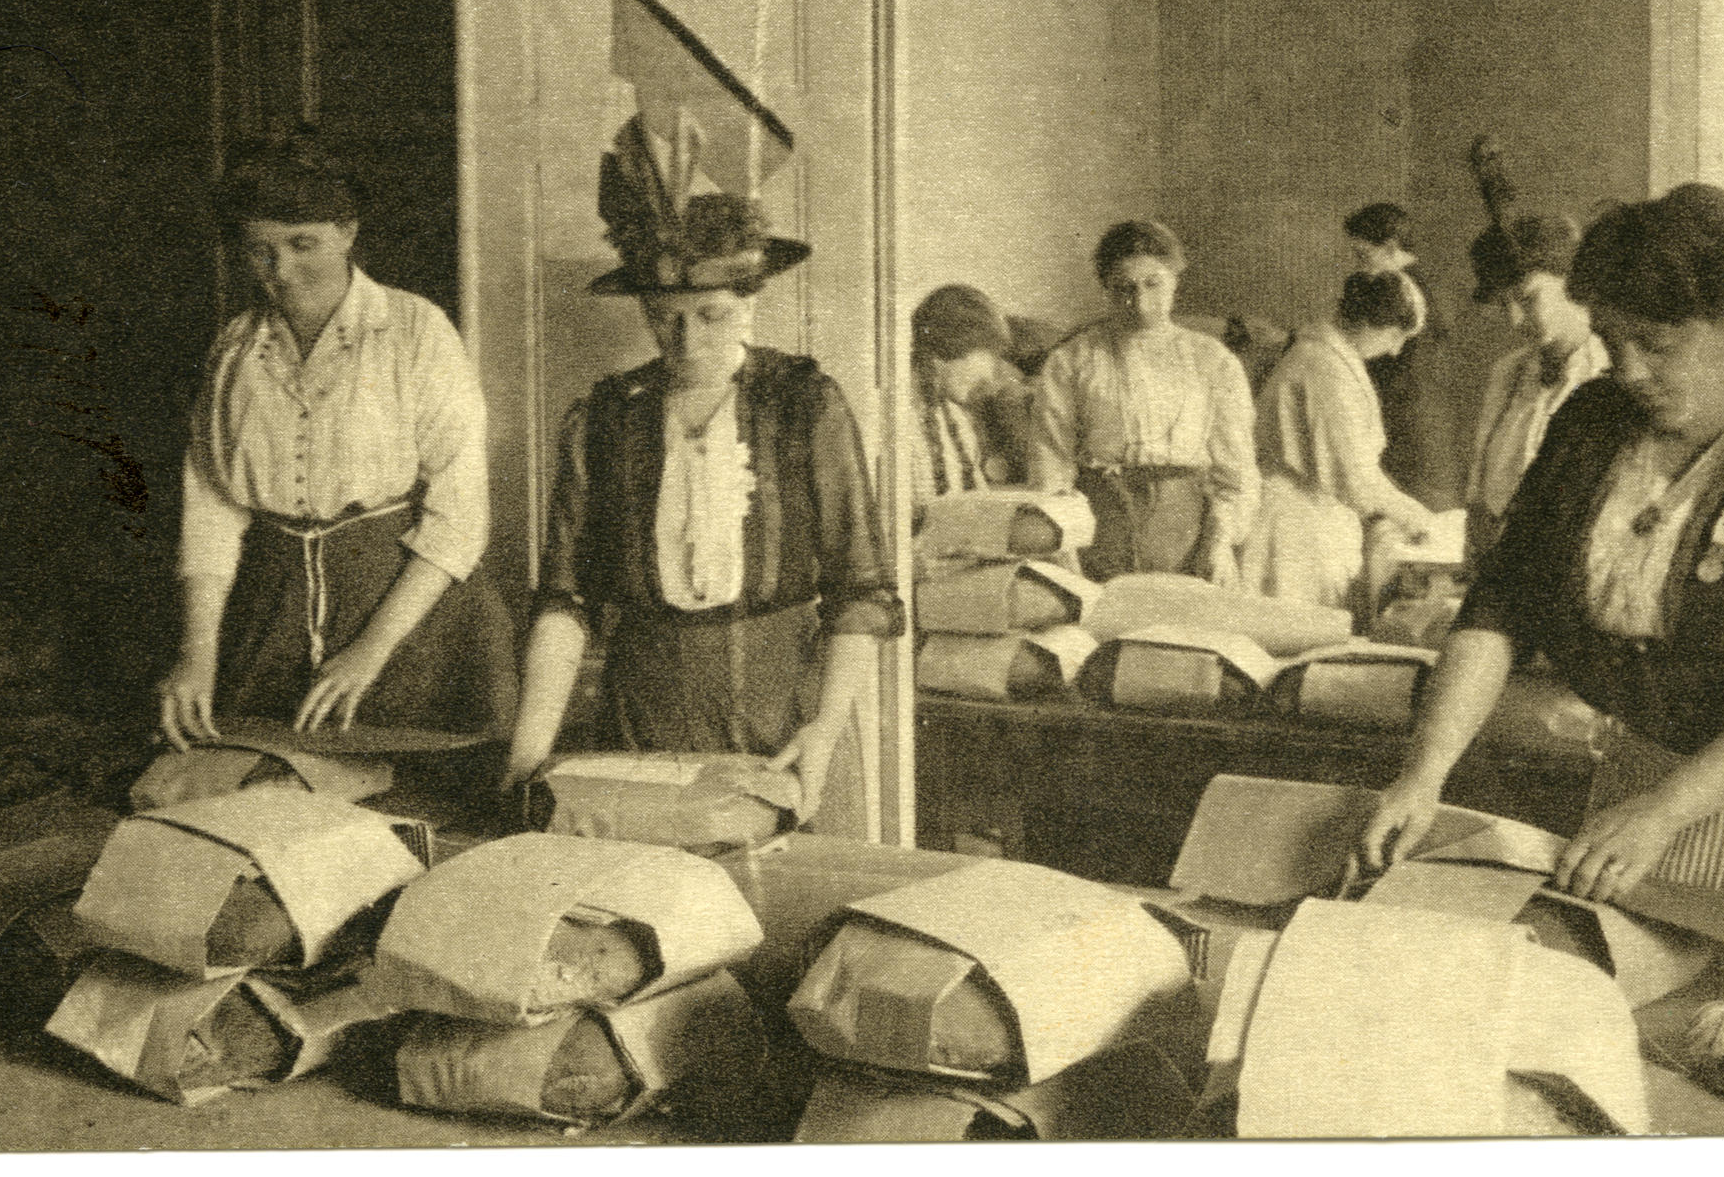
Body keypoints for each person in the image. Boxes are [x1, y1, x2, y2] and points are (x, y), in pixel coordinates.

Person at [1359, 184, 1724, 911]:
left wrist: (1667, 810)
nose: (1628, 370)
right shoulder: (1597, 417)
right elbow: (1504, 599)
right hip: (1636, 782)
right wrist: (1424, 774)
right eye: (1611, 340)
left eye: (1658, 344)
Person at [500, 171, 900, 827]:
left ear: (749, 304)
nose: (685, 340)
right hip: (641, 717)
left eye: (709, 316)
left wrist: (823, 733)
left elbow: (860, 593)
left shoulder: (804, 405)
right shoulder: (604, 418)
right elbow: (564, 603)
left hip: (784, 720)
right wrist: (528, 755)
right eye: (664, 319)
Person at [156, 130, 519, 751]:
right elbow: (213, 509)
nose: (282, 271)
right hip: (271, 611)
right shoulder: (235, 350)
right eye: (259, 249)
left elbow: (461, 513)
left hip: (407, 609)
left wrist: (370, 652)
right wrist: (198, 652)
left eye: (304, 244)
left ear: (347, 232)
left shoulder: (414, 330)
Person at [1032, 220, 1259, 586]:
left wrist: (1219, 543)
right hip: (1100, 531)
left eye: (1153, 284)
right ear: (1106, 288)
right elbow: (1051, 465)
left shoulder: (1213, 361)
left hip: (1189, 534)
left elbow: (1236, 472)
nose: (1139, 302)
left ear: (1174, 280)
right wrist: (1064, 553)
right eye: (1124, 288)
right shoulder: (1071, 361)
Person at [1243, 271, 1442, 612]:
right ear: (1368, 322)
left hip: (1314, 517)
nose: (1395, 350)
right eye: (1396, 335)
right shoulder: (1322, 366)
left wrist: (1411, 510)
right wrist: (1413, 516)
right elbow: (1351, 477)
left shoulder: (1330, 360)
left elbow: (1357, 467)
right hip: (1294, 524)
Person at [1463, 210, 1608, 559]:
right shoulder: (1508, 373)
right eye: (1503, 305)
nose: (1514, 319)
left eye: (1527, 299)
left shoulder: (1608, 374)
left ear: (1571, 285)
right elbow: (1479, 491)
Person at [1342, 202, 1447, 502]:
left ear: (1390, 248)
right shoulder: (1418, 282)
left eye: (1363, 255)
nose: (1359, 265)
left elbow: (1403, 366)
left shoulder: (1405, 290)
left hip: (1405, 419)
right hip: (1415, 415)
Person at [906, 284, 1030, 508]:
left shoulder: (957, 419)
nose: (990, 375)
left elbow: (979, 505)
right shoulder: (902, 422)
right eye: (986, 354)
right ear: (949, 347)